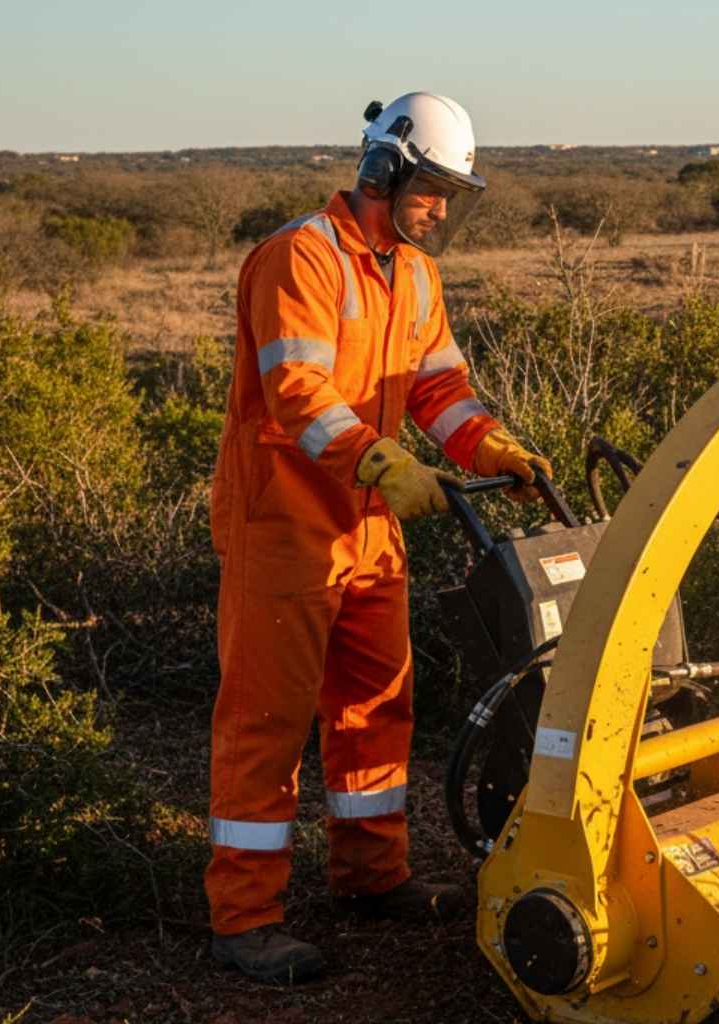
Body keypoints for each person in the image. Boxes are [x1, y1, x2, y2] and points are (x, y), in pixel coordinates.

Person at [205, 92, 550, 984]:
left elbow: (438, 391)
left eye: (452, 196)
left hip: (369, 529)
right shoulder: (301, 259)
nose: (441, 209)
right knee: (266, 723)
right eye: (432, 189)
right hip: (283, 525)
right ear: (383, 170)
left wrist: (490, 443)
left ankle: (371, 877)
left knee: (376, 706)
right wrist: (380, 464)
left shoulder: (416, 275)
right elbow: (299, 397)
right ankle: (244, 918)